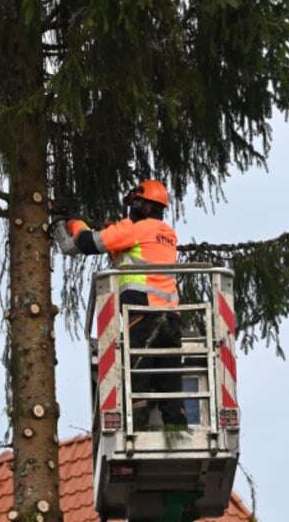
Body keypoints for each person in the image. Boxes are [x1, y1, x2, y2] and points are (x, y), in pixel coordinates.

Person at [53, 180, 187, 430]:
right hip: (171, 316)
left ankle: (138, 428)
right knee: (170, 377)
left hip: (142, 313)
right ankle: (176, 427)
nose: (130, 210)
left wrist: (73, 222)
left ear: (145, 207)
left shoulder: (135, 229)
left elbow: (85, 243)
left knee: (139, 371)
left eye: (134, 204)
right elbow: (136, 253)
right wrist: (115, 234)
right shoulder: (167, 234)